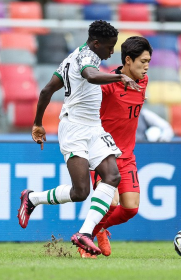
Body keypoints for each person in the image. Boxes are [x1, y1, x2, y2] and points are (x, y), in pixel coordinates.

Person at [17, 20, 141, 256]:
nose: (112, 52)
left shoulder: (70, 59)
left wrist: (38, 123)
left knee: (112, 176)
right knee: (81, 191)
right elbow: (91, 75)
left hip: (94, 128)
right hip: (74, 129)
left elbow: (46, 91)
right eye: (109, 47)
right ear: (96, 43)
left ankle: (85, 232)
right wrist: (119, 78)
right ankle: (32, 198)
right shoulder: (86, 58)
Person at [78, 36, 153, 258]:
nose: (146, 66)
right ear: (128, 60)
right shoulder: (107, 84)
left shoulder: (143, 81)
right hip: (103, 154)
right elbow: (85, 96)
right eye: (142, 61)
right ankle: (86, 240)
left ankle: (100, 229)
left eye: (149, 61)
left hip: (127, 156)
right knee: (110, 201)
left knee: (130, 208)